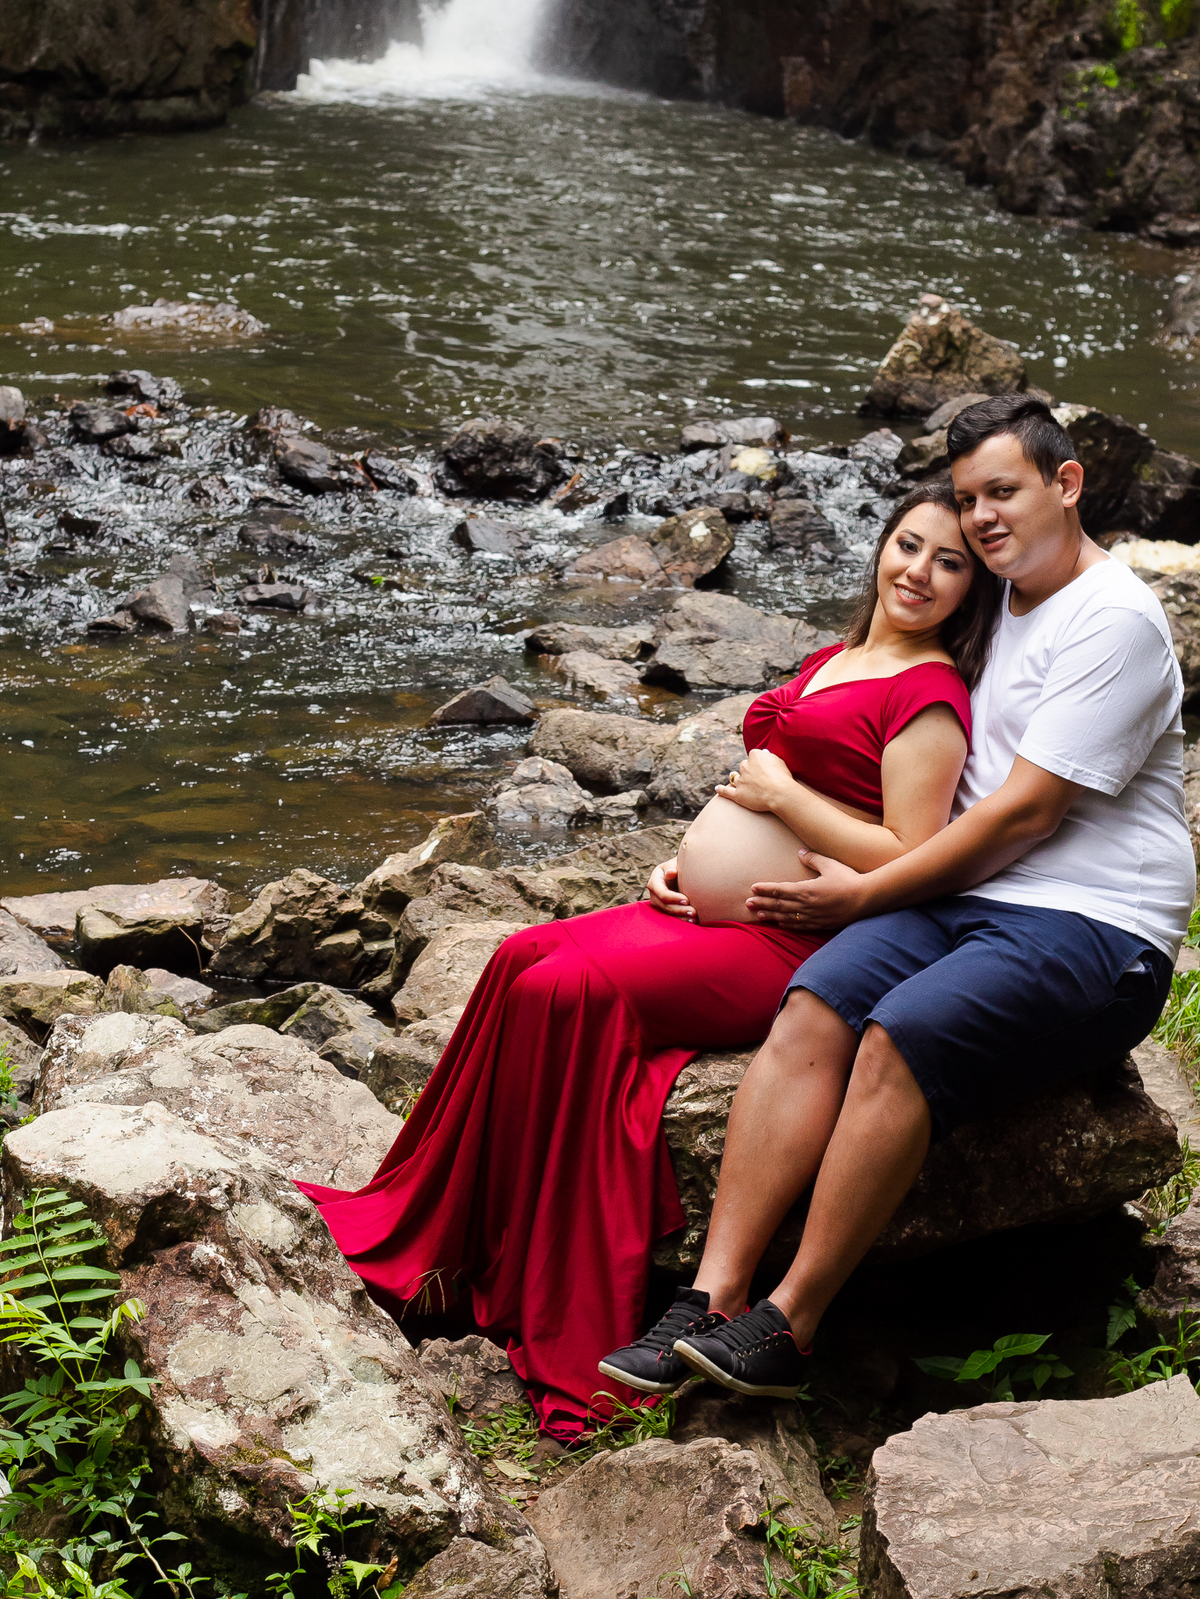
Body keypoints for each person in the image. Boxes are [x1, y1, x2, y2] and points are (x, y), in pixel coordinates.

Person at [297, 480, 1001, 1438]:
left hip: (795, 939)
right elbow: (766, 790)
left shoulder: (931, 696)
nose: (919, 572)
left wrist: (782, 804)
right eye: (909, 545)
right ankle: (444, 1238)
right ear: (882, 546)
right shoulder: (836, 658)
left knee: (564, 990)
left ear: (971, 589)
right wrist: (687, 863)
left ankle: (523, 1281)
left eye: (949, 562)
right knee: (519, 957)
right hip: (713, 917)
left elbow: (912, 854)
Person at [613, 393, 1195, 1405]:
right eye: (968, 499)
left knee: (899, 1033)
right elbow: (869, 723)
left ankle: (788, 1325)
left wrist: (866, 894)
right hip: (970, 899)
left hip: (1096, 927)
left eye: (1002, 491)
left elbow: (1025, 815)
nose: (981, 518)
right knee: (813, 1006)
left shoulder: (1115, 621)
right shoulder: (997, 600)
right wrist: (710, 854)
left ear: (1068, 484)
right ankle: (709, 1297)